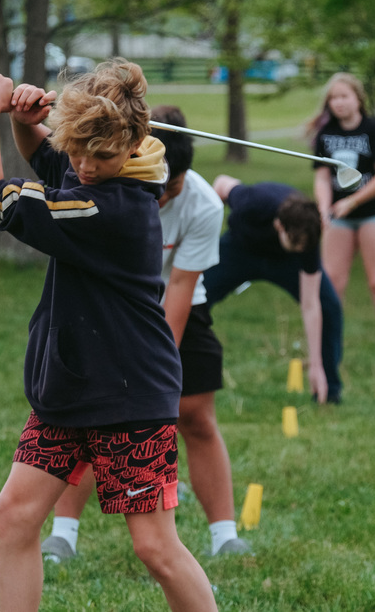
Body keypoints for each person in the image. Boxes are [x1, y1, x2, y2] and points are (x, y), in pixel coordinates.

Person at [0, 60, 218, 612]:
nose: (83, 165)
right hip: (70, 389)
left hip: (128, 397)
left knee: (155, 546)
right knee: (16, 515)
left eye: (99, 155)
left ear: (132, 144)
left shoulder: (110, 207)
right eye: (78, 148)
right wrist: (25, 120)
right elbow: (51, 158)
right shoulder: (97, 175)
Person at [42, 105, 252, 561]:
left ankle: (225, 535)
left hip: (172, 313)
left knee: (195, 414)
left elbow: (179, 289)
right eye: (155, 186)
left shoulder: (203, 205)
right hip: (104, 307)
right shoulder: (105, 184)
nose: (159, 198)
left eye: (169, 189)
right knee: (90, 418)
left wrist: (146, 380)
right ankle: (63, 533)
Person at [203, 176, 344, 404]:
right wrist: (202, 236)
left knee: (329, 306)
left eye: (304, 246)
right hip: (240, 250)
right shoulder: (254, 202)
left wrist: (315, 365)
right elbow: (221, 184)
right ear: (279, 225)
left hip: (285, 263)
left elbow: (311, 305)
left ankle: (328, 388)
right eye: (295, 243)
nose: (300, 248)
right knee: (193, 299)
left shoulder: (306, 236)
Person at [308, 72, 375, 371]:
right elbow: (322, 176)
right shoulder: (325, 133)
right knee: (332, 284)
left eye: (344, 96)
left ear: (358, 99)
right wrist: (324, 208)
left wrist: (352, 201)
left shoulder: (374, 129)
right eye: (333, 98)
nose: (338, 103)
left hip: (374, 215)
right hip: (338, 218)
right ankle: (327, 355)